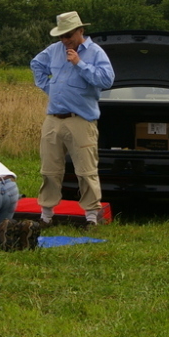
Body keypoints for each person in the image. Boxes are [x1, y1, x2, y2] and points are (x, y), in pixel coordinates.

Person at [30, 11, 115, 227]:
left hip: (81, 120)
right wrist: (48, 86)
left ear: (80, 31)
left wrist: (80, 64)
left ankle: (91, 218)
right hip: (53, 118)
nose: (65, 40)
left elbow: (107, 80)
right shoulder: (54, 50)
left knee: (86, 170)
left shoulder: (96, 53)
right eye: (61, 36)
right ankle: (46, 216)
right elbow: (36, 64)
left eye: (68, 35)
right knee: (49, 169)